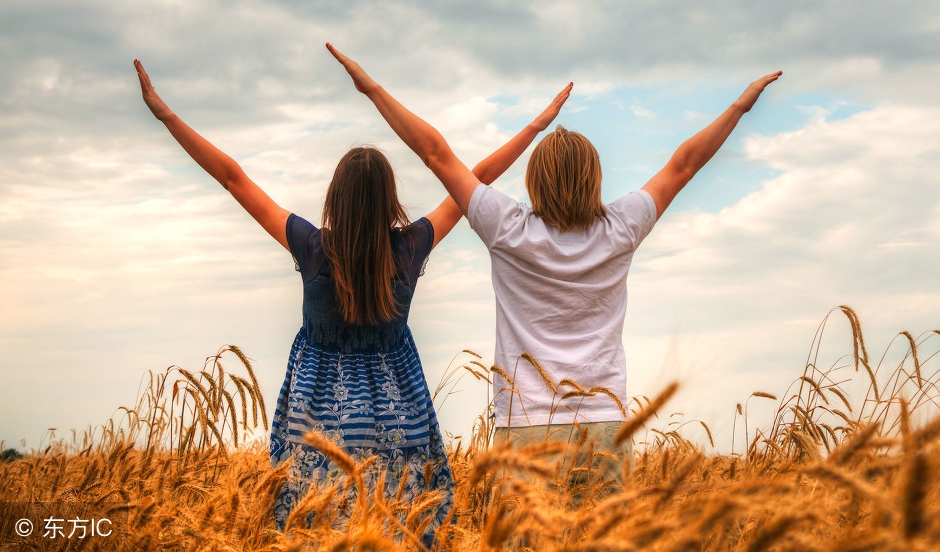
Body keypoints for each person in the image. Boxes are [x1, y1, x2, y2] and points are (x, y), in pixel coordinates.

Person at [133, 58, 572, 539]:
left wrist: (167, 116)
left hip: (316, 412)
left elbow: (234, 179)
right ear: (390, 200)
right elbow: (479, 176)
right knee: (398, 524)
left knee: (315, 526)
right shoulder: (409, 248)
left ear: (334, 197)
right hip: (399, 409)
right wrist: (536, 124)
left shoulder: (312, 247)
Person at [326, 43, 781, 497]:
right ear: (595, 177)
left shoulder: (507, 228)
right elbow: (685, 164)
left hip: (523, 428)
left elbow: (437, 155)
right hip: (604, 429)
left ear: (534, 180)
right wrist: (739, 107)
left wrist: (372, 90)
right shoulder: (622, 227)